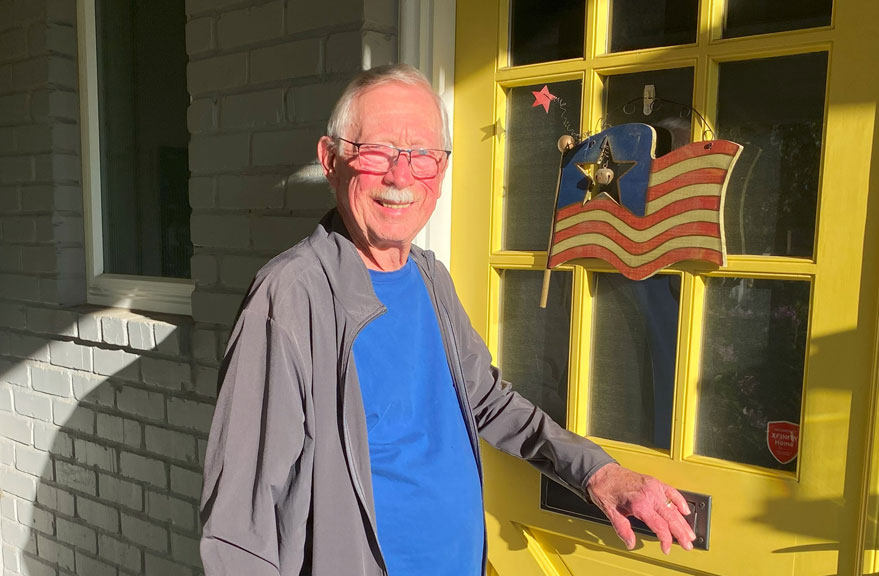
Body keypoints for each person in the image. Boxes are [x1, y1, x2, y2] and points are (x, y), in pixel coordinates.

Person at [200, 64, 696, 576]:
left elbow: (487, 401)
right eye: (378, 151)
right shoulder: (290, 297)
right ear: (331, 160)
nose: (401, 176)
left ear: (440, 171)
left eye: (423, 157)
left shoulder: (429, 276)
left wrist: (597, 472)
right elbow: (241, 520)